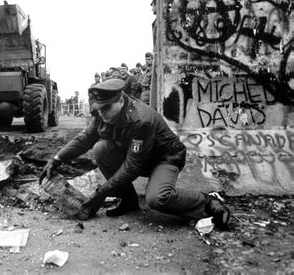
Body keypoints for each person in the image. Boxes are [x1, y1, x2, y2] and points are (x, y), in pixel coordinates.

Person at [39, 79, 231, 229]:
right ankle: (129, 201)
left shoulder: (141, 120)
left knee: (157, 199)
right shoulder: (101, 115)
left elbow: (132, 167)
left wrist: (102, 194)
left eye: (107, 107)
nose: (102, 113)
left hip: (164, 159)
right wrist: (56, 159)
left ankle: (206, 201)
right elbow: (84, 139)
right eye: (98, 108)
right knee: (100, 148)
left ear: (121, 101)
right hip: (138, 155)